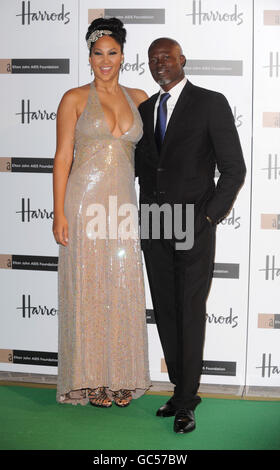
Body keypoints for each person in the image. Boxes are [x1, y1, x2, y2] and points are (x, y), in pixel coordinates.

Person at [135, 38, 246, 433]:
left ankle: (186, 400)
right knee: (166, 310)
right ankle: (181, 389)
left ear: (183, 60)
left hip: (193, 225)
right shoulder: (145, 109)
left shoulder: (210, 102)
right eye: (152, 59)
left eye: (166, 57)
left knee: (189, 311)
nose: (159, 63)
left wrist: (209, 218)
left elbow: (234, 168)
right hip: (154, 225)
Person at [52, 17, 151, 408]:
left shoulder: (140, 97)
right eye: (98, 53)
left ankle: (122, 376)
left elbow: (162, 153)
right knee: (88, 290)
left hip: (123, 206)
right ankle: (90, 378)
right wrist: (58, 213)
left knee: (121, 288)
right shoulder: (74, 98)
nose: (105, 60)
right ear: (89, 56)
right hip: (83, 204)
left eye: (112, 53)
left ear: (123, 56)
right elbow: (62, 158)